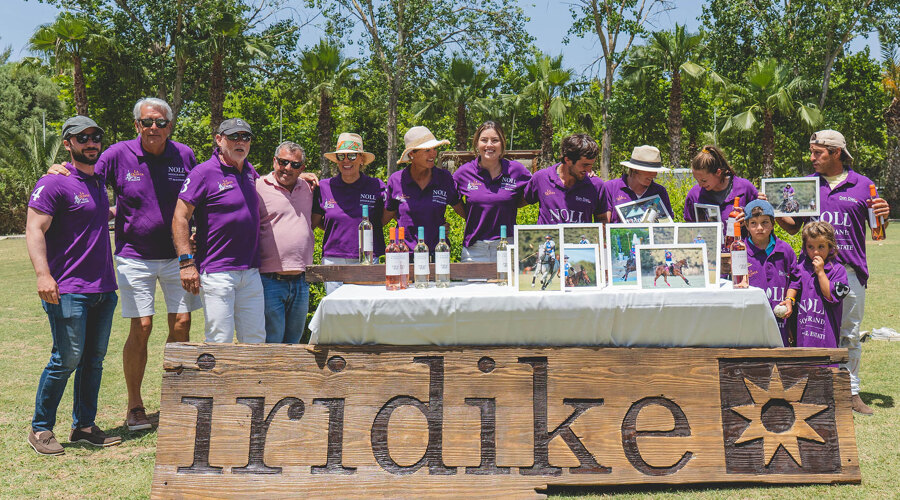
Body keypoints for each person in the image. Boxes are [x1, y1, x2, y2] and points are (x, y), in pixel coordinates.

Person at [47, 97, 201, 431]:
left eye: (161, 122)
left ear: (170, 125)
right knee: (142, 326)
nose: (154, 128)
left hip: (178, 256)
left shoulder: (184, 155)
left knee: (182, 324)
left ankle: (177, 400)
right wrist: (59, 171)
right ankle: (135, 406)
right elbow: (83, 176)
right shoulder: (117, 154)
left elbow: (198, 197)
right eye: (147, 122)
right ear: (137, 125)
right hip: (134, 256)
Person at [774, 130, 890, 415]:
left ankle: (850, 391)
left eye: (818, 153)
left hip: (849, 272)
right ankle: (811, 388)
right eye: (811, 152)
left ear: (836, 153)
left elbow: (879, 231)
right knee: (809, 330)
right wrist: (773, 207)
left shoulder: (863, 185)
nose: (812, 158)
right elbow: (792, 226)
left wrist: (883, 215)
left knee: (848, 333)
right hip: (810, 273)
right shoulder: (807, 185)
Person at [26, 116, 122, 455]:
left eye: (96, 136)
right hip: (67, 289)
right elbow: (34, 228)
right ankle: (40, 429)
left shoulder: (97, 182)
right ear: (68, 143)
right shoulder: (54, 183)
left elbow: (94, 218)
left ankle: (84, 426)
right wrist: (43, 274)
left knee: (93, 361)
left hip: (103, 290)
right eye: (82, 138)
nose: (91, 143)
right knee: (65, 359)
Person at [173, 118, 265, 344]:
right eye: (233, 136)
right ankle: (215, 382)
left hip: (251, 271)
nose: (240, 141)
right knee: (219, 341)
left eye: (245, 137)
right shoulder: (203, 173)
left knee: (255, 340)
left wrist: (299, 177)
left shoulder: (250, 171)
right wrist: (186, 263)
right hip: (217, 271)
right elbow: (179, 217)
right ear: (219, 139)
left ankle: (248, 382)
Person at [312, 133, 385, 294]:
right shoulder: (323, 187)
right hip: (334, 260)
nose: (346, 160)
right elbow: (314, 221)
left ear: (361, 159)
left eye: (352, 156)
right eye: (341, 156)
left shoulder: (376, 186)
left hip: (367, 259)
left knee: (367, 312)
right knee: (337, 313)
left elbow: (386, 217)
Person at [257, 142, 315, 343]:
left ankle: (291, 376)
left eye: (295, 165)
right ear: (274, 161)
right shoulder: (258, 187)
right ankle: (268, 376)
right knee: (272, 341)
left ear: (302, 169)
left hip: (301, 280)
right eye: (283, 162)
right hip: (270, 280)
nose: (288, 168)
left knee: (294, 342)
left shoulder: (309, 187)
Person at [452, 121, 531, 261]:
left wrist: (512, 204)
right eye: (484, 140)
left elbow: (533, 193)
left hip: (507, 247)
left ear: (502, 144)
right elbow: (453, 200)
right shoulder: (463, 173)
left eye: (495, 140)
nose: (489, 145)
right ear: (477, 144)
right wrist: (471, 215)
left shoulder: (517, 171)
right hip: (474, 250)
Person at [384, 126, 462, 253]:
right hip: (403, 254)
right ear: (411, 154)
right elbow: (386, 215)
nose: (433, 153)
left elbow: (463, 211)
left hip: (437, 253)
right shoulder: (396, 180)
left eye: (434, 149)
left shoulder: (444, 178)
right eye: (427, 150)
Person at [779, 222, 849, 350]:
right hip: (802, 337)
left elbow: (831, 295)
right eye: (810, 247)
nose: (815, 252)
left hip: (826, 339)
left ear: (830, 246)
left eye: (821, 246)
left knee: (825, 368)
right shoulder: (800, 269)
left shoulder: (838, 270)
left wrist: (821, 272)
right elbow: (793, 288)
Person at [743, 199, 798, 347]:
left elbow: (795, 278)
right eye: (753, 223)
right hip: (749, 322)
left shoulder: (785, 250)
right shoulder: (739, 251)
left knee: (779, 359)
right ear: (746, 226)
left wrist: (790, 300)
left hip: (780, 322)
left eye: (765, 222)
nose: (759, 228)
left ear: (773, 223)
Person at [524, 134, 605, 224]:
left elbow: (602, 219)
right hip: (547, 238)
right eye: (585, 165)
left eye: (591, 165)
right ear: (567, 160)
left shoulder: (596, 185)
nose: (589, 170)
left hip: (580, 238)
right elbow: (519, 201)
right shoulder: (541, 178)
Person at [684, 145, 758, 239]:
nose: (700, 185)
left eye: (703, 180)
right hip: (708, 252)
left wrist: (749, 219)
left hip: (740, 251)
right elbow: (689, 232)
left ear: (718, 172)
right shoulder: (694, 195)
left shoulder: (745, 188)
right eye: (697, 180)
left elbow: (764, 222)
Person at [602, 145, 673, 223]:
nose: (654, 175)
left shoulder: (660, 191)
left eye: (656, 171)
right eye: (649, 171)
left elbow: (666, 226)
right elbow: (604, 223)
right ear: (634, 169)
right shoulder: (610, 188)